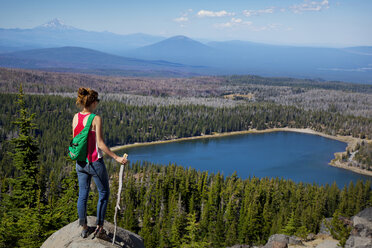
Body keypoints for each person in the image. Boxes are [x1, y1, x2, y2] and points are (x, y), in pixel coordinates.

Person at [72, 87, 127, 238]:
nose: (98, 103)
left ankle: (84, 227)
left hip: (80, 163)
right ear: (93, 102)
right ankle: (99, 228)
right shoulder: (95, 119)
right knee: (103, 193)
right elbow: (100, 144)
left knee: (82, 194)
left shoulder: (76, 117)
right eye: (97, 100)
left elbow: (75, 141)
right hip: (95, 162)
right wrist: (116, 158)